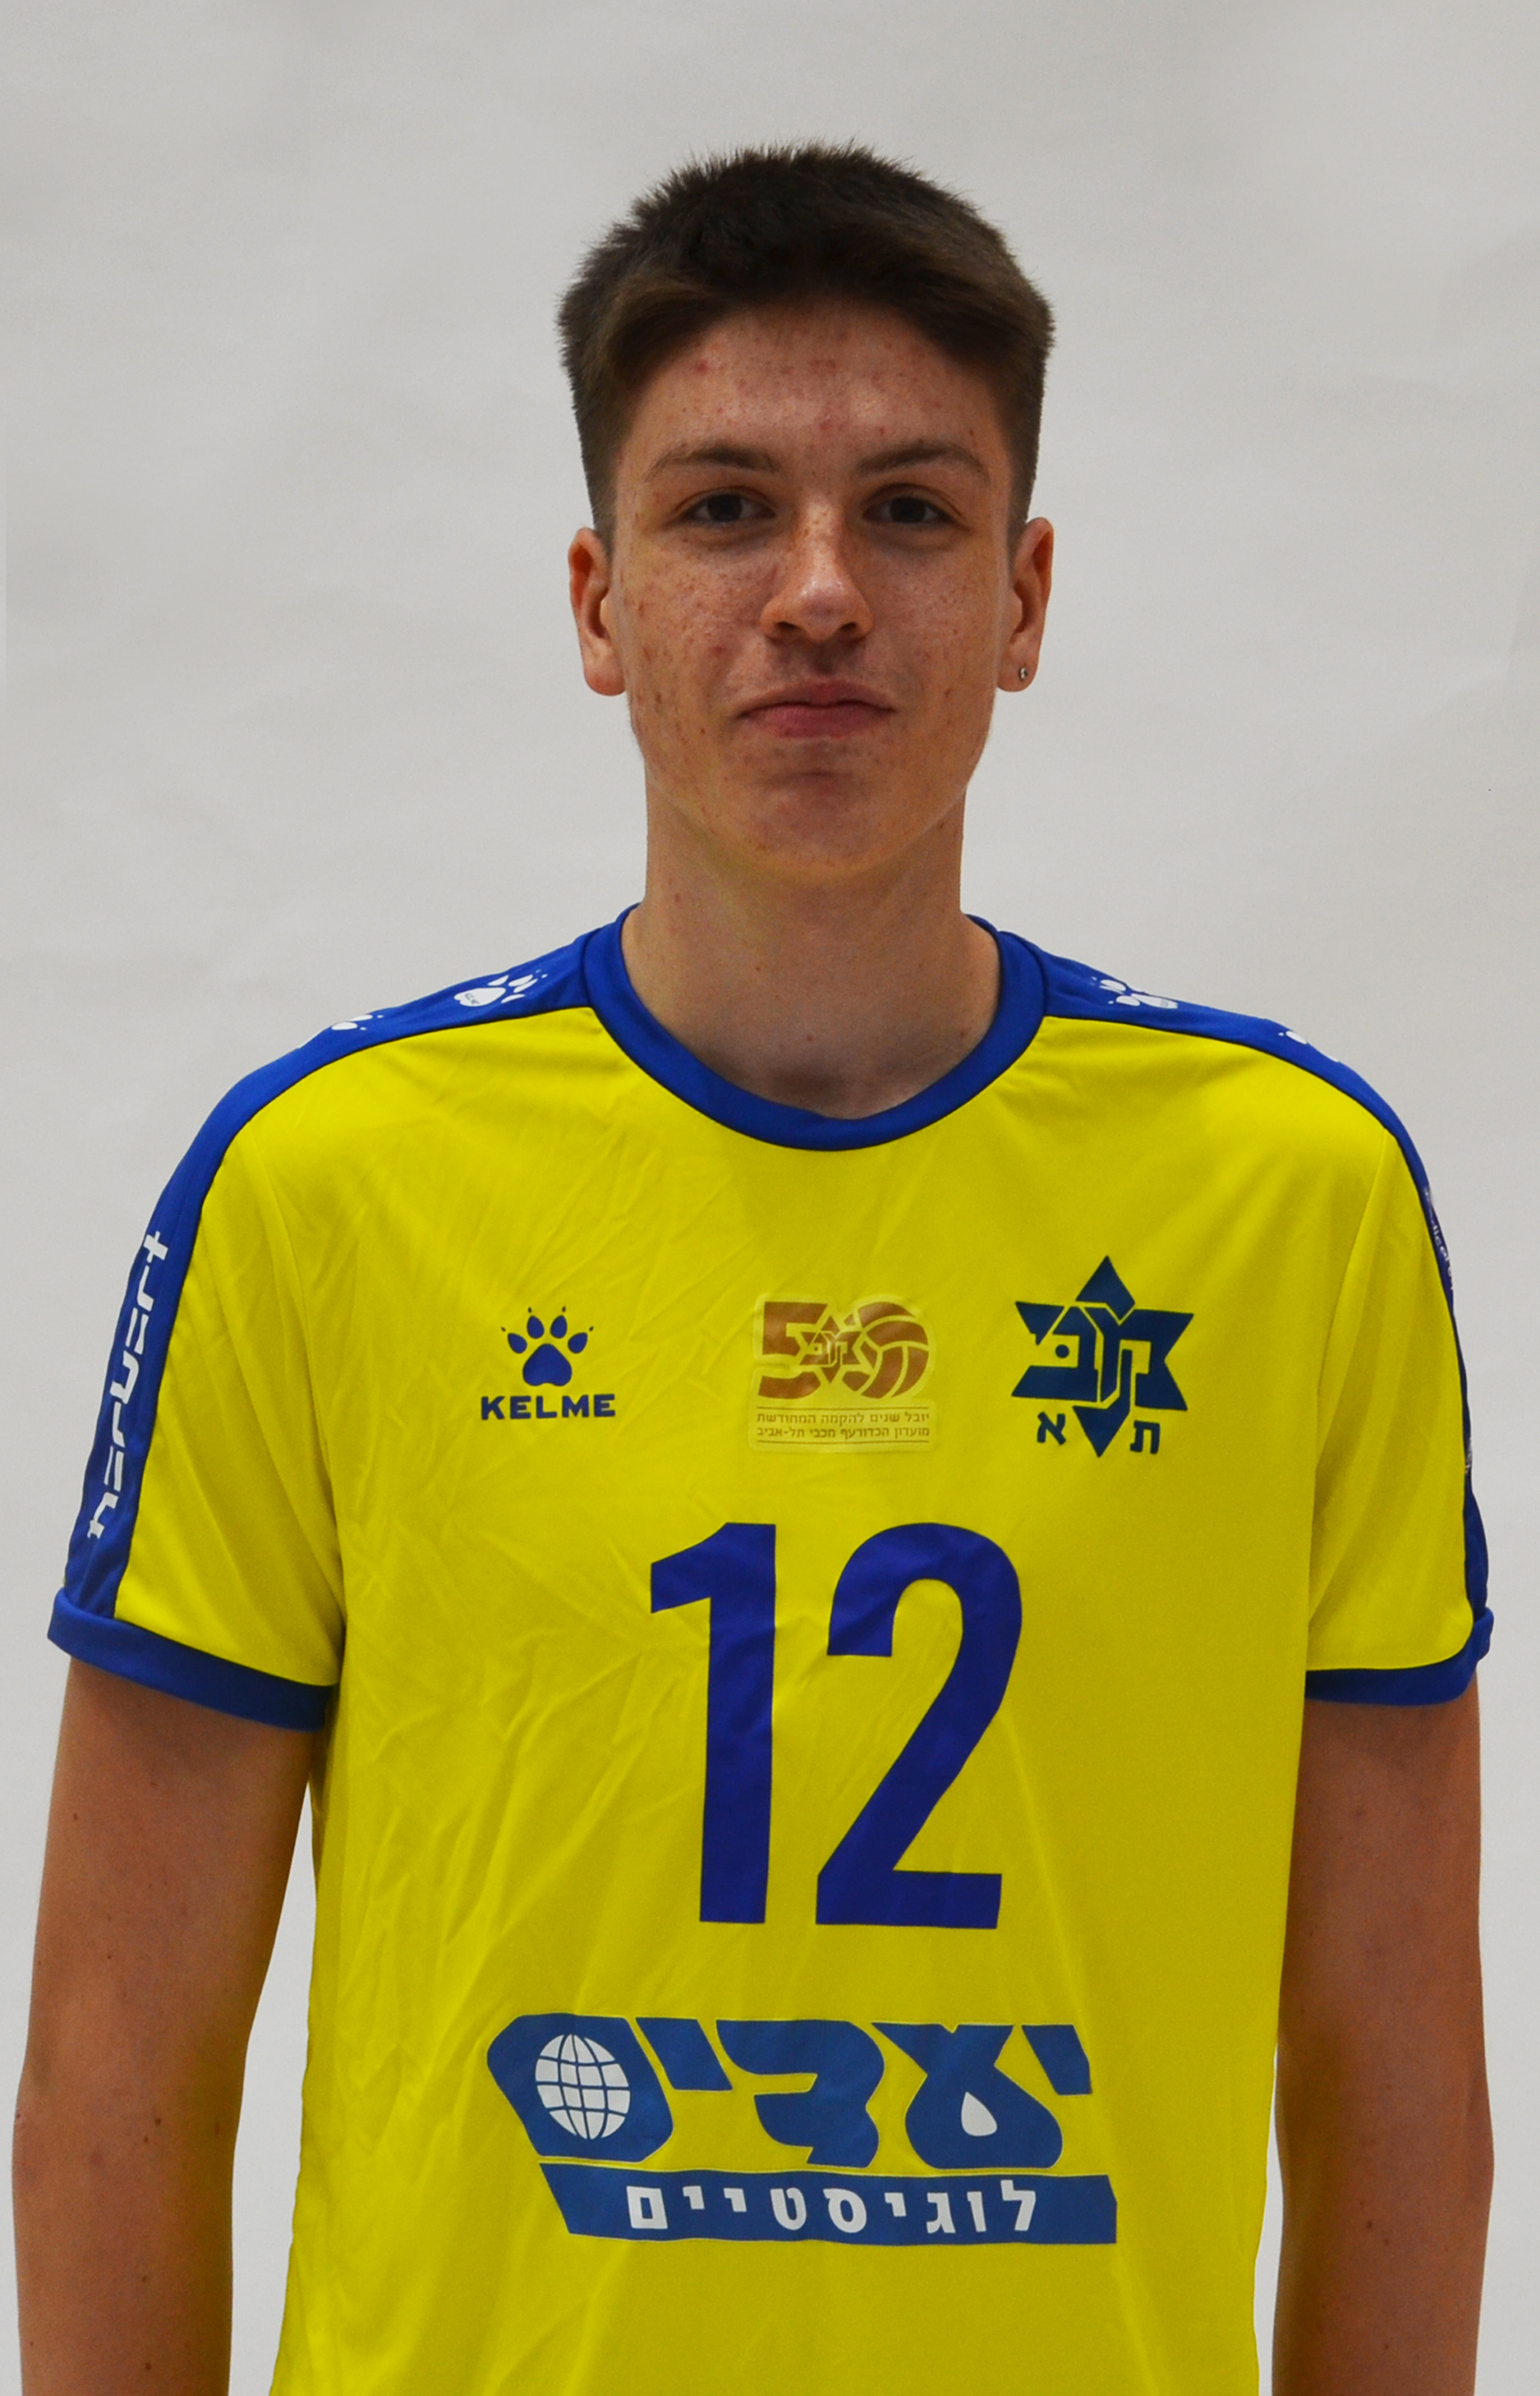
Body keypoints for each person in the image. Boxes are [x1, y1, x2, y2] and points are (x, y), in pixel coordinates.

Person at [15, 145, 1490, 2396]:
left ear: (1023, 595)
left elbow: (1394, 2065)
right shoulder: (323, 1187)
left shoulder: (1295, 1198)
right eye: (724, 511)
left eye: (909, 512)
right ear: (601, 602)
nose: (817, 591)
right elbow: (121, 2050)